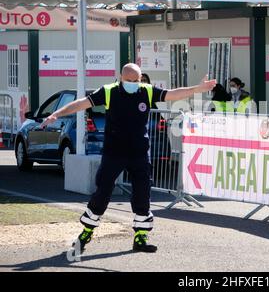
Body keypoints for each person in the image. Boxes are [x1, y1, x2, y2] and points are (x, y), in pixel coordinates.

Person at [41, 63, 216, 253]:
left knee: (143, 193)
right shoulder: (109, 91)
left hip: (139, 152)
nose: (133, 84)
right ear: (121, 78)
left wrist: (198, 89)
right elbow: (82, 103)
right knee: (103, 191)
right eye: (129, 81)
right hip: (114, 152)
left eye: (137, 80)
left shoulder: (146, 91)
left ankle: (140, 237)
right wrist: (56, 114)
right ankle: (86, 232)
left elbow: (172, 94)